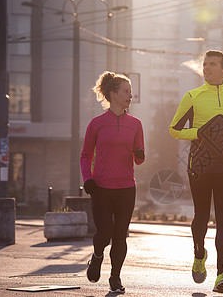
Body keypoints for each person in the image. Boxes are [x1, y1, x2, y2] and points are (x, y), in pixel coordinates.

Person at [169, 50, 223, 293]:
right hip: (200, 168)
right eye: (204, 64)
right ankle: (198, 253)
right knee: (201, 216)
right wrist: (200, 133)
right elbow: (174, 129)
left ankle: (222, 275)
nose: (207, 68)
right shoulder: (192, 96)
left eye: (212, 64)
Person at [80, 71, 145, 293]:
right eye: (126, 91)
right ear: (113, 94)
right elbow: (85, 155)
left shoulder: (135, 124)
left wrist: (140, 154)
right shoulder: (97, 124)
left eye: (131, 91)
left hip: (127, 188)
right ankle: (97, 255)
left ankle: (115, 277)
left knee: (120, 235)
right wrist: (88, 178)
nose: (130, 95)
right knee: (104, 233)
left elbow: (139, 158)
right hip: (102, 188)